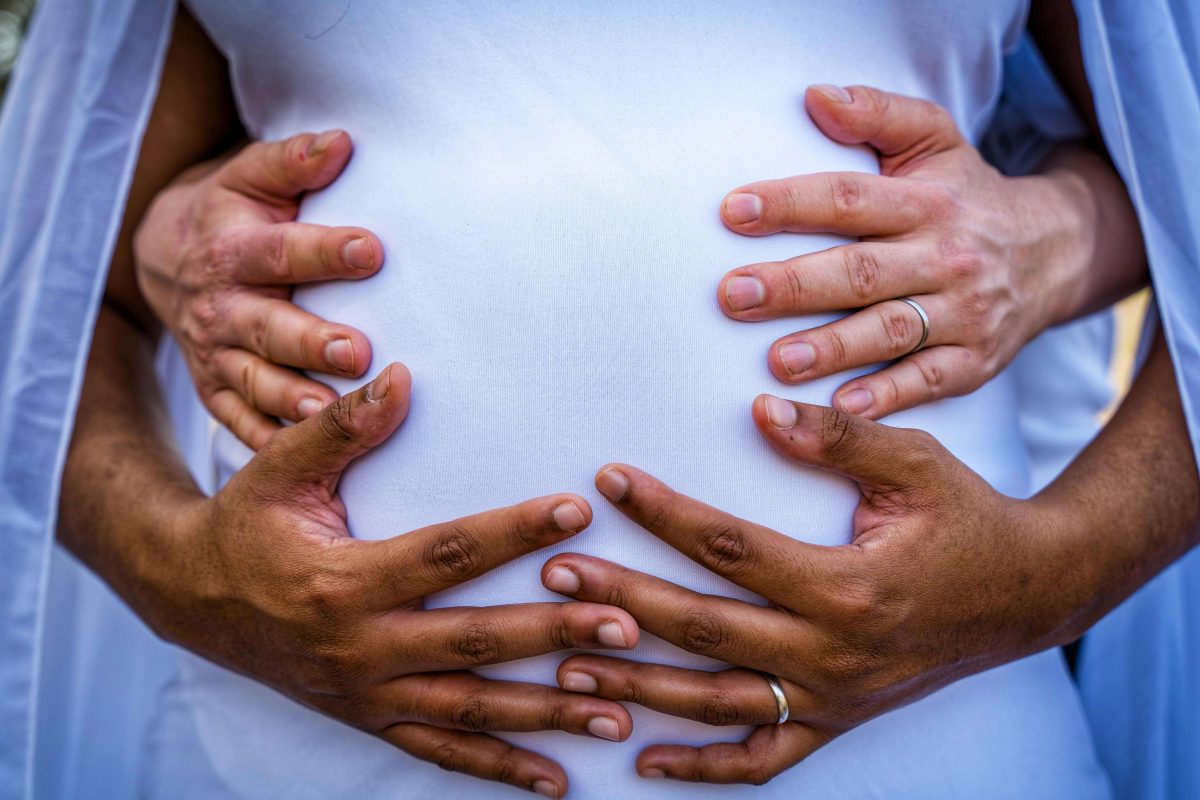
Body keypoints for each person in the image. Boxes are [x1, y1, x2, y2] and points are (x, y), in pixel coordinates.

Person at [0, 2, 1195, 800]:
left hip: (924, 750)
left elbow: (1173, 162)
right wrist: (179, 572)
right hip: (283, 758)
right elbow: (59, 288)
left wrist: (1054, 568)